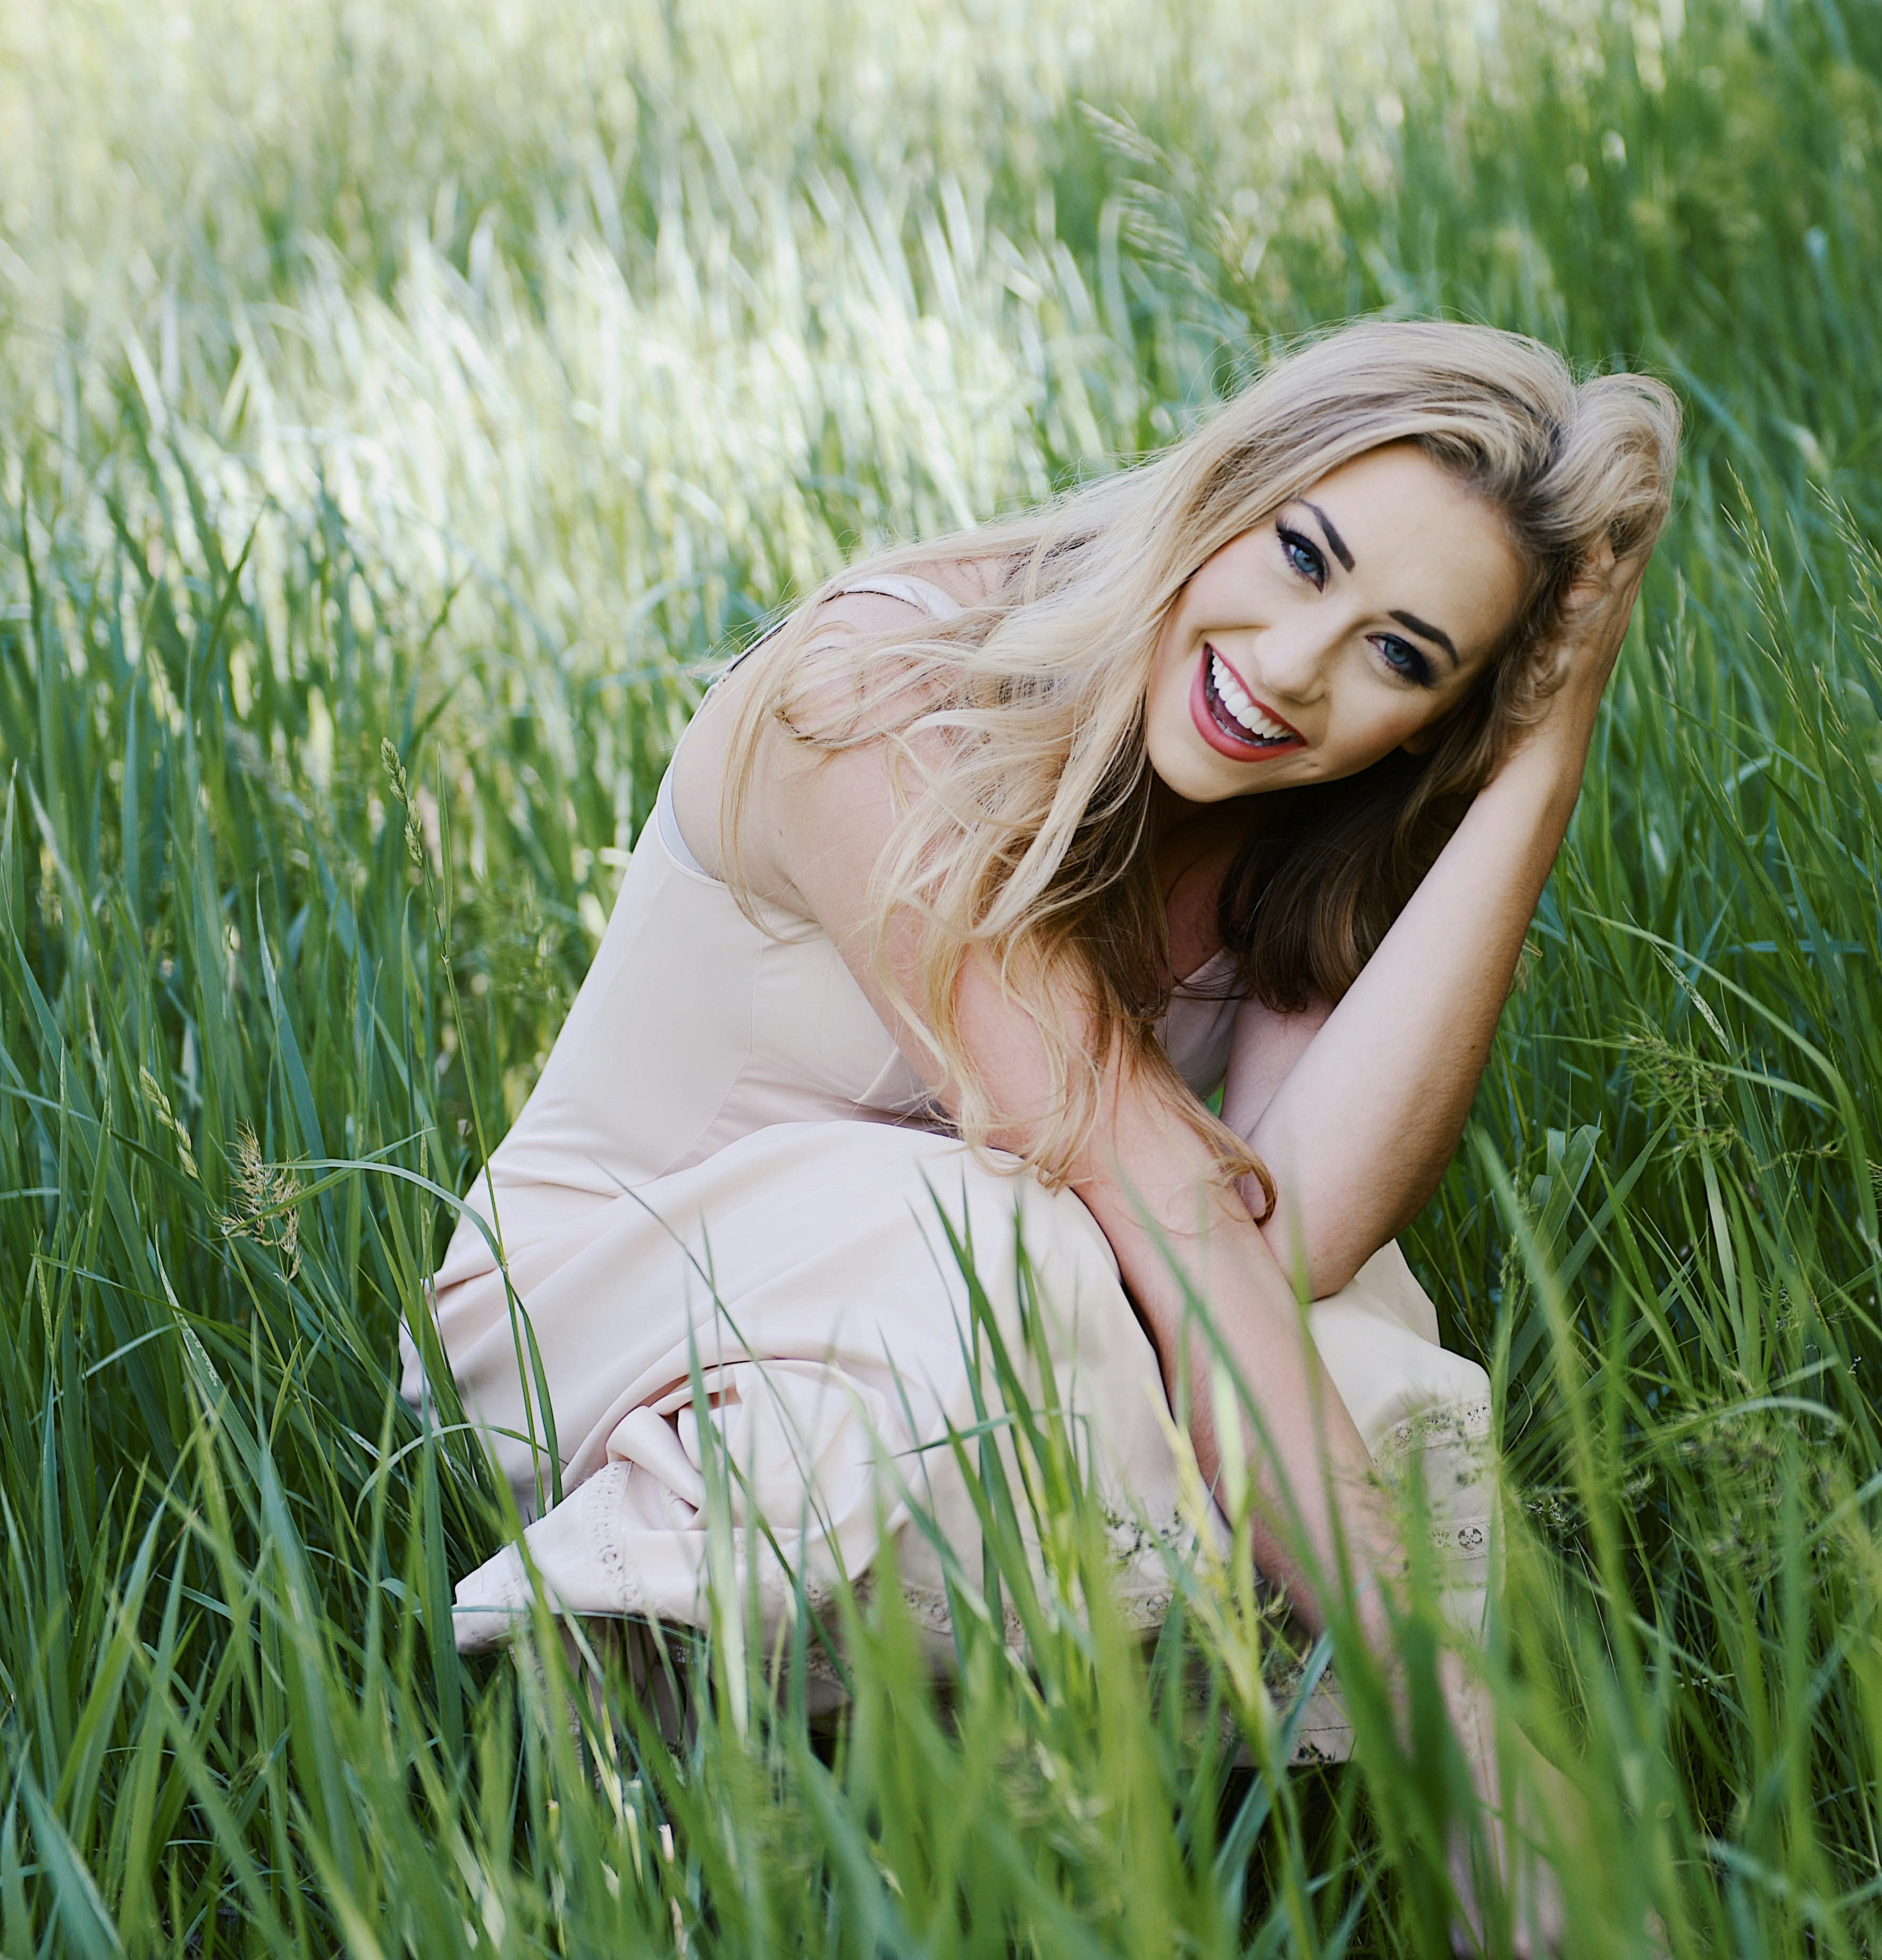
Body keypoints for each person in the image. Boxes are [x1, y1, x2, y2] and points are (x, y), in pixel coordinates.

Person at [405, 318, 1676, 1943]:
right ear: (1227, 487)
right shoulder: (876, 691)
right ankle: (610, 1697)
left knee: (1367, 1345)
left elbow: (1292, 1241)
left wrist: (1539, 768)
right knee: (1013, 1245)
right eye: (1299, 554)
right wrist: (1464, 1736)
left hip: (918, 1329)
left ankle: (992, 1774)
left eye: (1402, 657)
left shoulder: (1296, 814)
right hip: (600, 1310)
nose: (1293, 666)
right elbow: (1157, 1196)